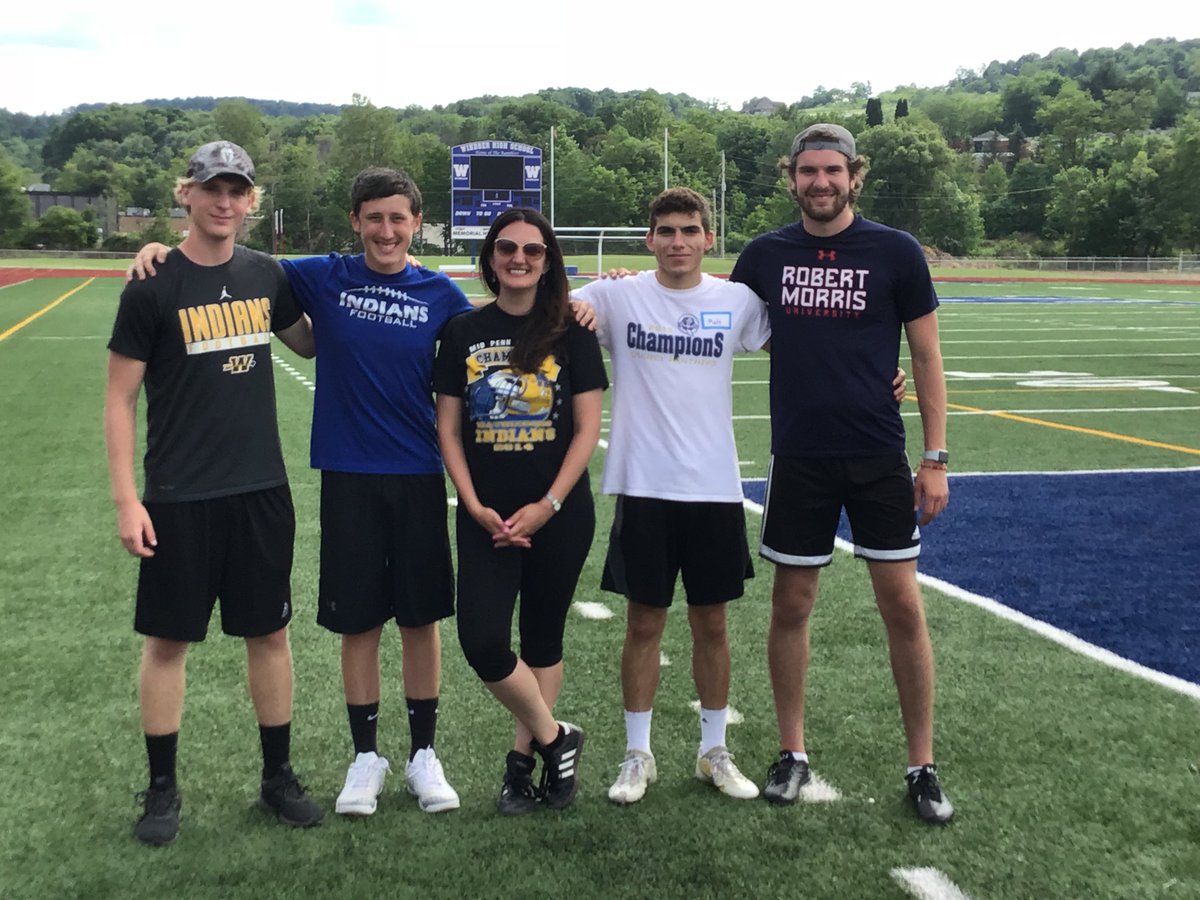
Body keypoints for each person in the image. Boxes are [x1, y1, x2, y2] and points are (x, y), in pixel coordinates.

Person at [130, 167, 471, 817]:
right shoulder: (321, 274)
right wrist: (155, 250)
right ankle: (365, 756)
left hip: (419, 472)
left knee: (421, 620)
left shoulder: (440, 292)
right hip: (347, 474)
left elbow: (491, 334)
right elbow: (236, 263)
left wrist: (582, 300)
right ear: (356, 221)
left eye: (399, 218)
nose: (387, 230)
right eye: (374, 217)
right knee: (357, 620)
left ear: (415, 223)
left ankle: (424, 753)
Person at [730, 123, 954, 824]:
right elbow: (705, 314)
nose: (820, 183)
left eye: (833, 171)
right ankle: (792, 751)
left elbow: (924, 358)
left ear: (855, 175)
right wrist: (621, 287)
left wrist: (935, 457)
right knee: (791, 606)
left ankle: (922, 764)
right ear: (789, 177)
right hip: (799, 455)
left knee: (904, 608)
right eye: (808, 172)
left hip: (878, 456)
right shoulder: (765, 254)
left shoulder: (894, 250)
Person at [106, 140, 323, 846]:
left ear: (252, 201)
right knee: (168, 642)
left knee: (270, 633)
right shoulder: (152, 283)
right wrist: (126, 498)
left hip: (260, 487)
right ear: (187, 196)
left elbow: (311, 344)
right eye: (211, 189)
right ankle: (163, 789)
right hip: (177, 494)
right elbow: (119, 399)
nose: (224, 201)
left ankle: (277, 777)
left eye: (237, 190)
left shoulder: (267, 275)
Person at [573, 188, 768, 804]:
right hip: (644, 485)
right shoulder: (616, 295)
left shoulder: (737, 301)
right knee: (643, 623)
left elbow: (809, 347)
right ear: (648, 239)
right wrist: (577, 304)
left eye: (689, 230)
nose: (678, 241)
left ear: (709, 238)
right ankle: (638, 754)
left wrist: (881, 374)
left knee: (712, 622)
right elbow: (537, 300)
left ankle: (714, 750)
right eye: (666, 231)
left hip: (713, 488)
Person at [433, 208, 606, 815]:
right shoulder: (462, 331)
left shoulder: (572, 330)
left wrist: (548, 504)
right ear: (491, 258)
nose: (519, 258)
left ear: (548, 261)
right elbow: (449, 429)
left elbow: (587, 429)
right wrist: (473, 502)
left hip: (558, 512)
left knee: (541, 638)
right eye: (507, 248)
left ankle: (522, 767)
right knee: (481, 640)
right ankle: (559, 737)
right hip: (485, 516)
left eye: (533, 251)